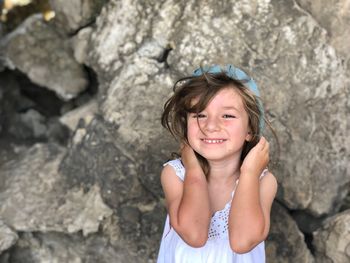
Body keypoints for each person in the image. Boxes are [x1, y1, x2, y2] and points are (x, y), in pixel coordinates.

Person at [157, 65, 278, 263]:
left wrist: (249, 173)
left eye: (227, 115)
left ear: (250, 130)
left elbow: (242, 241)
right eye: (199, 115)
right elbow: (194, 235)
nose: (211, 126)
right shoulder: (175, 174)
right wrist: (193, 168)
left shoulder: (263, 182)